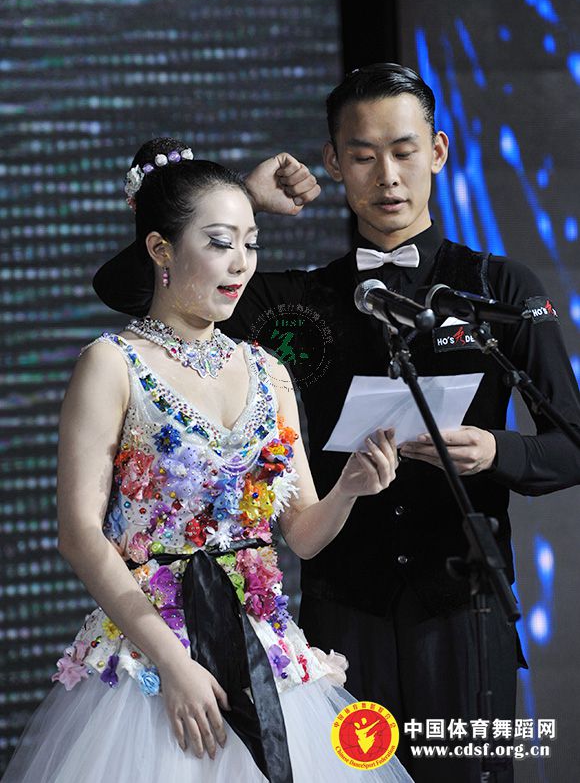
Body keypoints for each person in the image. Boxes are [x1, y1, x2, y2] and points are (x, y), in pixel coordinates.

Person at [93, 66, 580, 783]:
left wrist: (496, 450)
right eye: (362, 155)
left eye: (405, 151)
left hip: (464, 607)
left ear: (438, 152)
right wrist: (243, 201)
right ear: (332, 161)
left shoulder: (498, 288)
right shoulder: (294, 299)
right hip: (342, 618)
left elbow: (571, 444)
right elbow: (135, 287)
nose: (388, 176)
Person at [3, 138, 415, 783]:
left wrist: (350, 490)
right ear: (161, 249)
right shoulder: (113, 363)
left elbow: (303, 535)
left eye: (252, 242)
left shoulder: (268, 371)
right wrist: (174, 664)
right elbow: (80, 535)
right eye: (221, 243)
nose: (242, 263)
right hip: (151, 654)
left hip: (262, 649)